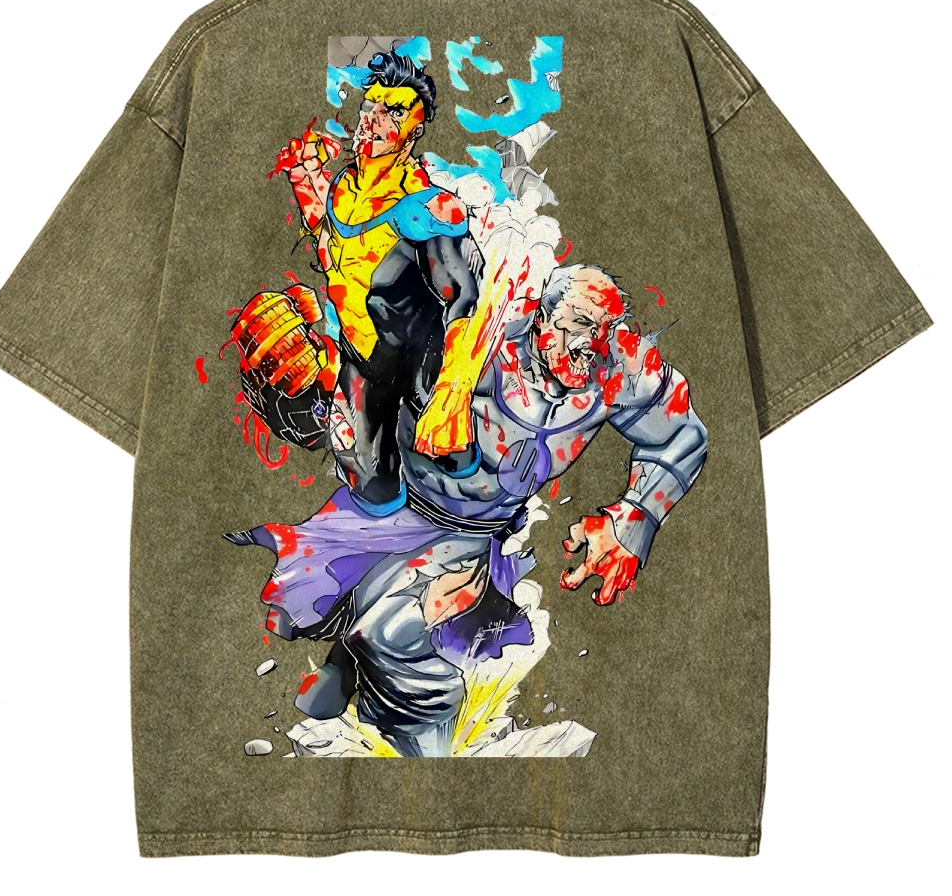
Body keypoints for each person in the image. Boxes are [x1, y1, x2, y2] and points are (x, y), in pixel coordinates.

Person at [225, 264, 708, 757]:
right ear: (541, 318)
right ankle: (347, 663)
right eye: (575, 329)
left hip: (472, 530)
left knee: (395, 633)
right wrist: (316, 332)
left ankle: (422, 757)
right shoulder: (487, 322)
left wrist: (635, 517)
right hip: (397, 493)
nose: (587, 351)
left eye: (601, 333)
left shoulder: (619, 367)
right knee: (316, 597)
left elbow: (682, 435)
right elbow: (379, 312)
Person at [266, 50, 494, 514]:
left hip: (423, 356)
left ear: (415, 128)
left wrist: (452, 391)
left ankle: (458, 445)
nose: (374, 118)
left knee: (455, 460)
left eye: (393, 111)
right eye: (371, 105)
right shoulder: (341, 188)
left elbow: (463, 295)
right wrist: (303, 177)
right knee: (372, 487)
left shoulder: (425, 207)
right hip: (363, 358)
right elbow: (335, 245)